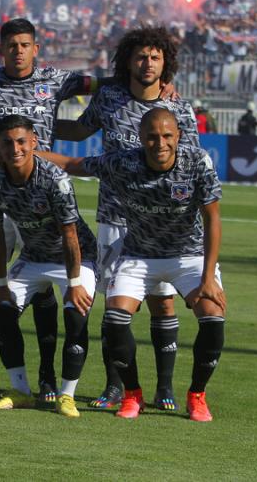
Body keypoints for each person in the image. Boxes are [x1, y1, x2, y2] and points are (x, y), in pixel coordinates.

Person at [42, 108, 226, 422]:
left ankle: (197, 395)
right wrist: (29, 153)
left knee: (213, 317)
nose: (160, 143)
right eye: (152, 136)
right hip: (138, 255)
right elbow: (74, 164)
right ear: (141, 137)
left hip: (188, 256)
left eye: (167, 136)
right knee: (114, 319)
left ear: (178, 136)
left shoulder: (197, 162)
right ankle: (132, 395)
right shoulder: (123, 162)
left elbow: (212, 218)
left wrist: (208, 277)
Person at [54, 25, 199, 412]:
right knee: (115, 306)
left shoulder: (178, 108)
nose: (147, 63)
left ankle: (165, 387)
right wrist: (39, 127)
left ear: (165, 62)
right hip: (115, 217)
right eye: (140, 56)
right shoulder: (110, 98)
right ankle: (115, 385)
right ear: (128, 62)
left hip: (163, 224)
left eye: (155, 56)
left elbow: (191, 168)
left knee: (162, 302)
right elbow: (81, 131)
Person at [0, 18, 99, 399]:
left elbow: (104, 83)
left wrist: (158, 81)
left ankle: (48, 373)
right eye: (11, 45)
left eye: (25, 45)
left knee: (44, 283)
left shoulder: (57, 79)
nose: (18, 51)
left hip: (42, 193)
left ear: (36, 48)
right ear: (1, 49)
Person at [0, 115, 97, 417]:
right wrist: (2, 284)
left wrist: (74, 285)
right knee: (1, 312)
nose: (15, 148)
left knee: (76, 315)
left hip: (76, 257)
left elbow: (70, 234)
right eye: (7, 143)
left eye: (21, 141)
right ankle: (20, 391)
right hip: (33, 256)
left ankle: (66, 396)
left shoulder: (54, 180)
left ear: (34, 141)